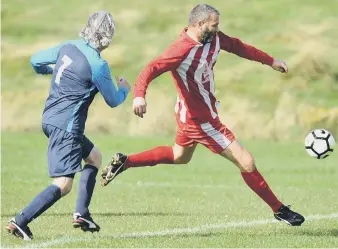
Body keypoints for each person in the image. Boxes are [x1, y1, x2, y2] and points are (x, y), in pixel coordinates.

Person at [100, 4, 305, 226]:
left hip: (190, 115)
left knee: (180, 156)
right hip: (201, 120)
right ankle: (279, 209)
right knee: (246, 162)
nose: (218, 29)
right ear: (199, 24)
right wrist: (139, 95)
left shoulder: (213, 39)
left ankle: (126, 161)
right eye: (214, 25)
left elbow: (238, 46)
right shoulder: (180, 50)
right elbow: (150, 69)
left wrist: (270, 61)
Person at [6, 11, 130, 240]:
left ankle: (82, 213)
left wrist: (49, 70)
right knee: (63, 184)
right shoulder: (98, 65)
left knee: (94, 156)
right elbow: (113, 100)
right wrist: (124, 88)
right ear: (108, 38)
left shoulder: (68, 46)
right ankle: (20, 221)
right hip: (67, 127)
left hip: (49, 118)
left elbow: (35, 60)